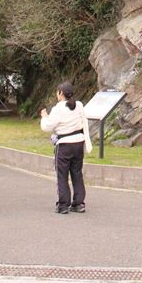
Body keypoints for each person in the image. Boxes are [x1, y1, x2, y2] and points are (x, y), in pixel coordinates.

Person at [40, 82, 92, 214]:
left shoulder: (58, 108)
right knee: (77, 173)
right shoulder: (79, 105)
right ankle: (79, 203)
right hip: (78, 143)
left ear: (60, 93)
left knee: (62, 175)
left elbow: (47, 127)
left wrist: (44, 117)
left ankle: (63, 205)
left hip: (64, 145)